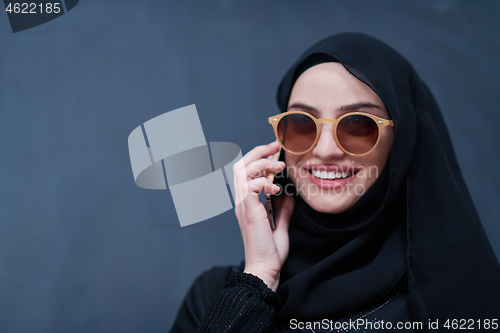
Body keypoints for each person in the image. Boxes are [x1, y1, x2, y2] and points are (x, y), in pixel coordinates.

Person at [170, 33, 500, 332]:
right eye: (301, 123)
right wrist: (259, 279)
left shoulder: (454, 304)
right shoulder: (214, 296)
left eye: (358, 125)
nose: (325, 151)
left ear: (403, 141)